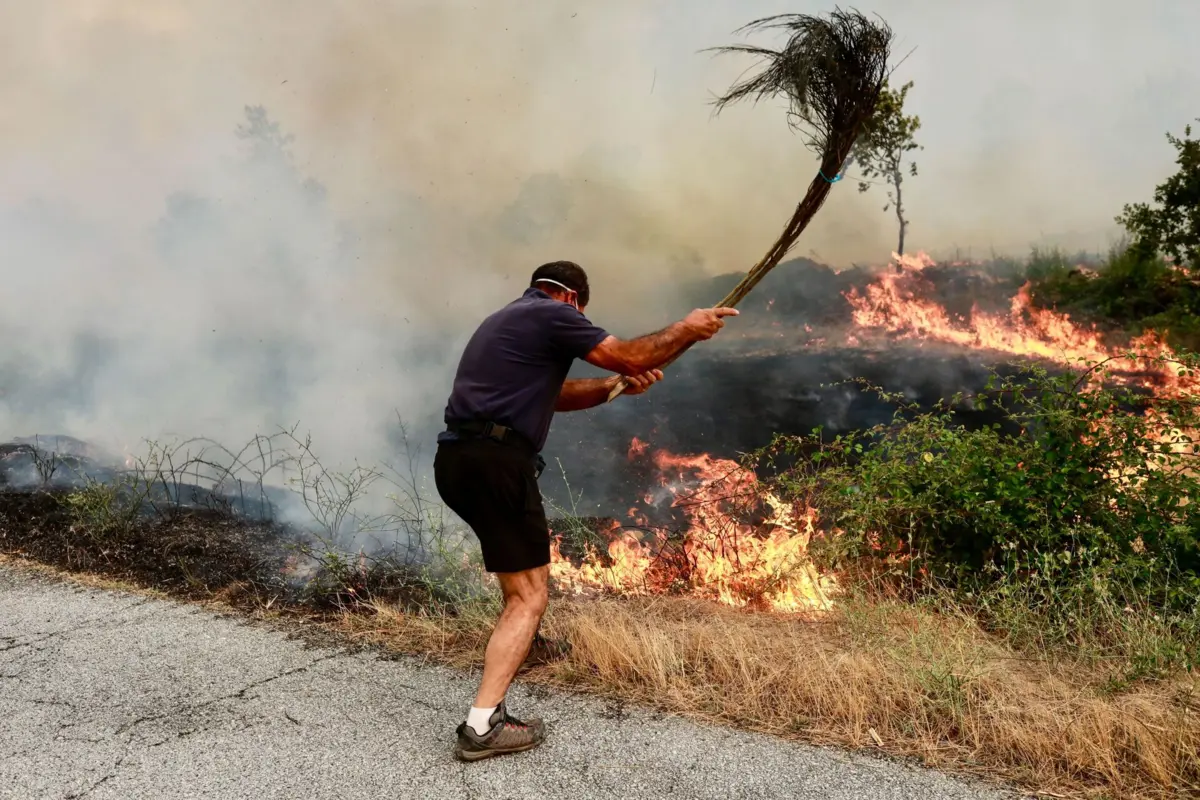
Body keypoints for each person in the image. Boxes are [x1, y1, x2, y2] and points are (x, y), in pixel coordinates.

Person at [434, 260, 738, 762]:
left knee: (519, 588)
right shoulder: (553, 314)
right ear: (575, 299)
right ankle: (483, 726)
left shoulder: (507, 320)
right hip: (496, 463)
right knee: (529, 596)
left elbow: (554, 396)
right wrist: (686, 328)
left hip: (460, 461)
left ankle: (522, 646)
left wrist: (615, 387)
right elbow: (622, 353)